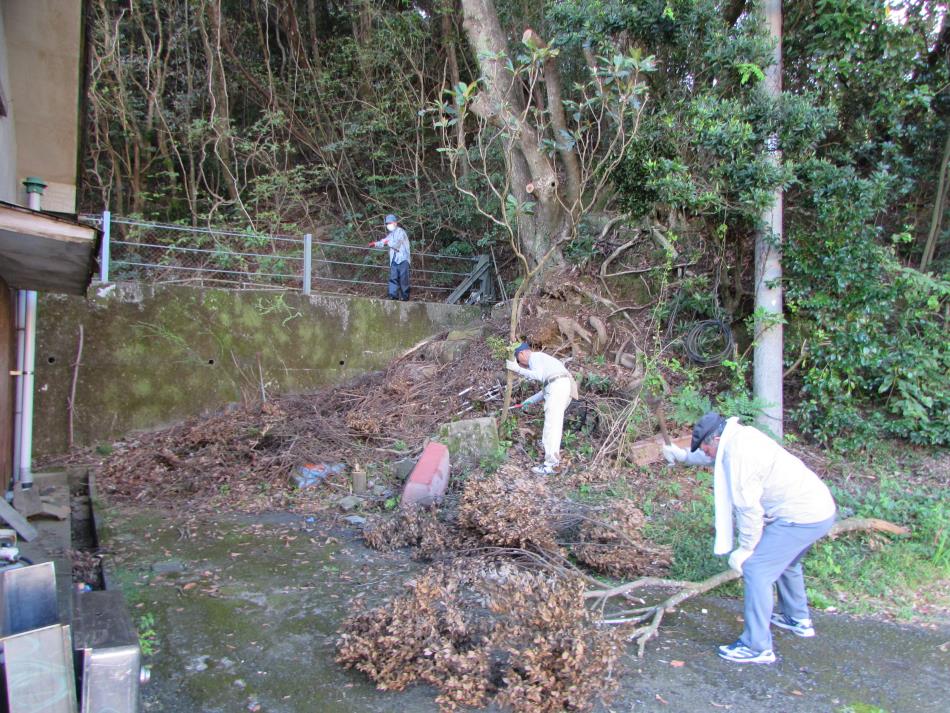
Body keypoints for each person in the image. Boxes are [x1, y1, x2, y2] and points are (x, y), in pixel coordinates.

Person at [662, 411, 836, 664]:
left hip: (801, 517)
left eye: (706, 448)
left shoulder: (739, 455)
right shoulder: (740, 437)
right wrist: (684, 456)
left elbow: (748, 509)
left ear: (717, 438)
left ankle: (757, 646)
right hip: (819, 509)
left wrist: (746, 548)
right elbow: (715, 456)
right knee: (787, 562)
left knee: (756, 570)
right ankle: (796, 618)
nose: (707, 453)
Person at [506, 343, 578, 475]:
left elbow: (538, 376)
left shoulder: (535, 357)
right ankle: (553, 461)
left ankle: (550, 465)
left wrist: (516, 369)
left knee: (551, 427)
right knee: (554, 426)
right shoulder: (547, 365)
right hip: (562, 387)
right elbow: (545, 389)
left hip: (558, 387)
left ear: (522, 354)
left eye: (518, 360)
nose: (521, 364)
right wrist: (527, 402)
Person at [368, 214, 410, 301]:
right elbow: (384, 241)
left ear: (395, 223)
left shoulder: (401, 232)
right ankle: (393, 296)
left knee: (403, 279)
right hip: (394, 260)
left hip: (403, 259)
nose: (388, 225)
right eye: (387, 223)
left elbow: (396, 244)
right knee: (393, 278)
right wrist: (374, 244)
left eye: (389, 223)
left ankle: (405, 297)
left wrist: (387, 242)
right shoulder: (391, 234)